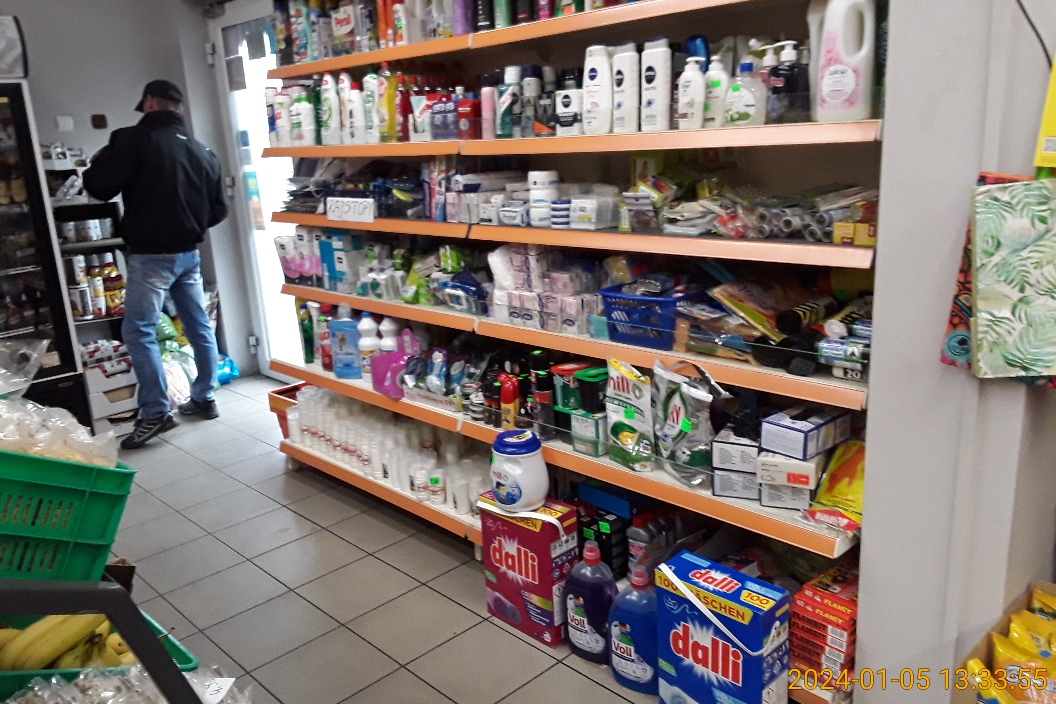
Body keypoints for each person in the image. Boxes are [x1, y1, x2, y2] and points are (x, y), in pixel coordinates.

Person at [83, 80, 229, 449]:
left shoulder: (132, 140)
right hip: (189, 253)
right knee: (199, 326)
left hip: (151, 256)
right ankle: (204, 396)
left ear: (149, 102)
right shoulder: (202, 150)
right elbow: (218, 210)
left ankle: (155, 412)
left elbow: (99, 186)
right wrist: (188, 224)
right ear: (179, 108)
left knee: (138, 332)